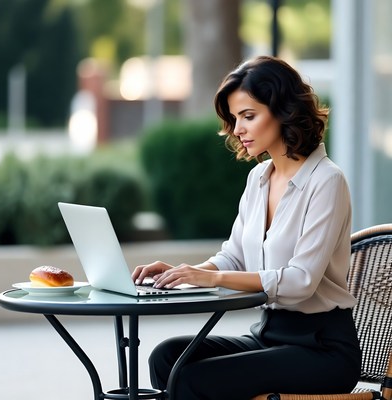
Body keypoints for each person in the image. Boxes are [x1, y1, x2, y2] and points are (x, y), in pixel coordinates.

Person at [132, 55, 361, 400]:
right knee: (167, 357)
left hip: (322, 349)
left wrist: (213, 279)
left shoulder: (327, 181)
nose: (237, 129)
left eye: (248, 116)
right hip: (268, 334)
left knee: (195, 379)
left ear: (283, 111)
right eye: (235, 118)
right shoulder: (258, 178)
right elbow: (234, 257)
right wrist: (188, 272)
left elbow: (300, 281)